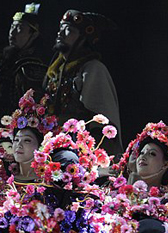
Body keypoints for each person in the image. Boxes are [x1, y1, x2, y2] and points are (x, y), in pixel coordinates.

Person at [44, 9, 122, 157]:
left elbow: (102, 121)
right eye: (60, 29)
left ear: (83, 38)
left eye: (69, 30)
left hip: (78, 152)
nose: (60, 33)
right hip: (52, 147)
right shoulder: (54, 72)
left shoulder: (92, 69)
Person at [0, 3, 47, 129]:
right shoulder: (7, 60)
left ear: (34, 35)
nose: (13, 33)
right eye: (12, 27)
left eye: (19, 28)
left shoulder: (32, 66)